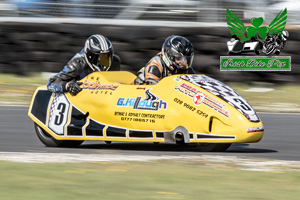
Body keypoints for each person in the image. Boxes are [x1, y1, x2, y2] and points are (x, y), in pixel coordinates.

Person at [47, 34, 121, 96]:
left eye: (106, 57)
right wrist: (68, 86)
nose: (103, 62)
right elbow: (51, 82)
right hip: (78, 95)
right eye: (99, 58)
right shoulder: (77, 64)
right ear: (90, 56)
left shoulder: (114, 62)